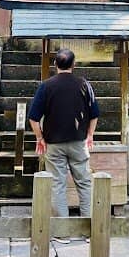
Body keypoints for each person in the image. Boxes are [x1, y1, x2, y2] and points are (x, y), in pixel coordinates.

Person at [28, 48, 99, 229]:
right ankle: (87, 228)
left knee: (57, 185)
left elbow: (33, 118)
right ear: (74, 65)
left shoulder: (46, 86)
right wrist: (90, 134)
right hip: (78, 141)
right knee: (84, 183)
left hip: (54, 143)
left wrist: (39, 138)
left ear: (55, 65)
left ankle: (62, 231)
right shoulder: (84, 84)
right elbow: (94, 113)